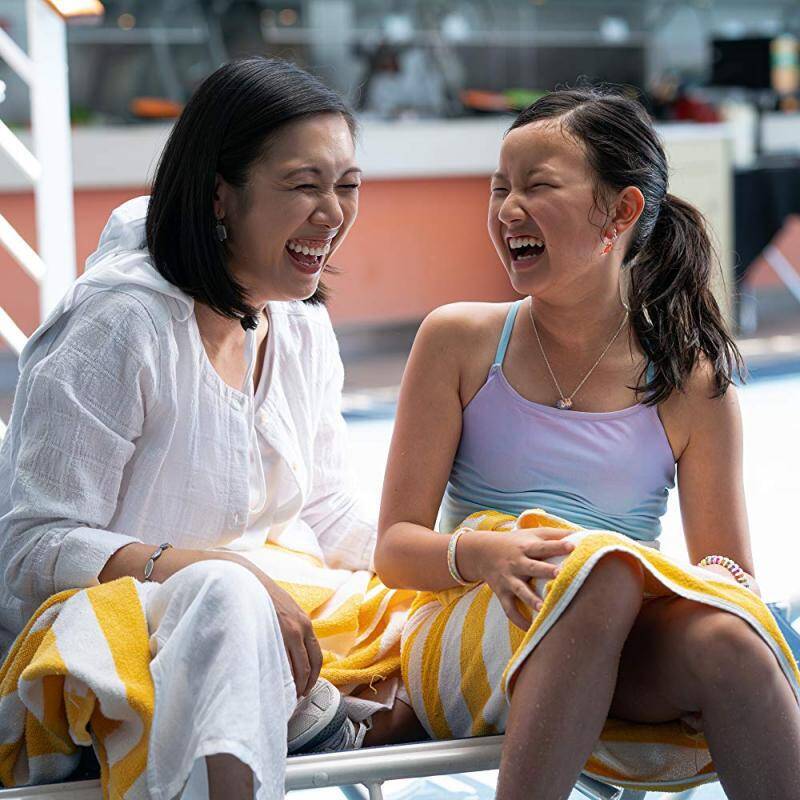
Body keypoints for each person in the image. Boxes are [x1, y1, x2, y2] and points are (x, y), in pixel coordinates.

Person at [0, 57, 419, 800]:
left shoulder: (299, 326)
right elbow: (29, 548)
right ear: (220, 194)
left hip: (244, 630)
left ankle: (328, 710)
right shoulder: (119, 323)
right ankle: (317, 717)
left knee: (449, 596)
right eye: (304, 184)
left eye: (347, 185)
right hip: (85, 653)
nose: (333, 213)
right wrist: (209, 571)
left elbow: (327, 511)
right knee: (228, 594)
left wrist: (449, 557)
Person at [376, 87, 800, 800]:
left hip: (613, 637)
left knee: (730, 641)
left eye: (538, 186)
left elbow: (728, 571)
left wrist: (716, 592)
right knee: (598, 573)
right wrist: (487, 553)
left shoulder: (691, 382)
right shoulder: (459, 341)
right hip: (468, 628)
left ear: (621, 212)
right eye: (500, 188)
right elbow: (394, 548)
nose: (508, 209)